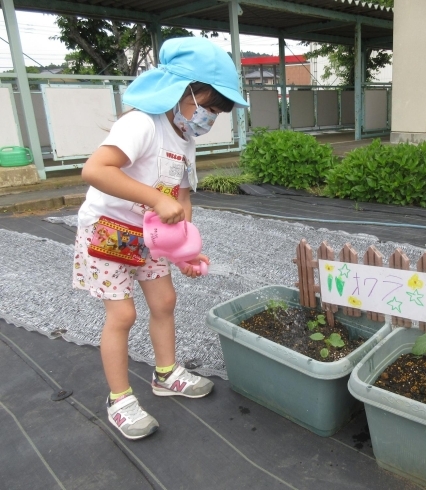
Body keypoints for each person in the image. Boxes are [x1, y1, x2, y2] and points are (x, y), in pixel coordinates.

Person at [72, 37, 249, 440]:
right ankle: (119, 399)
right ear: (185, 91)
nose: (210, 119)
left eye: (218, 113)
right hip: (106, 232)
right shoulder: (141, 124)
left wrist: (184, 250)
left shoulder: (184, 138)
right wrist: (153, 197)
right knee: (122, 315)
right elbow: (96, 170)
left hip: (148, 236)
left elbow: (180, 197)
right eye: (209, 107)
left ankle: (166, 374)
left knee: (165, 300)